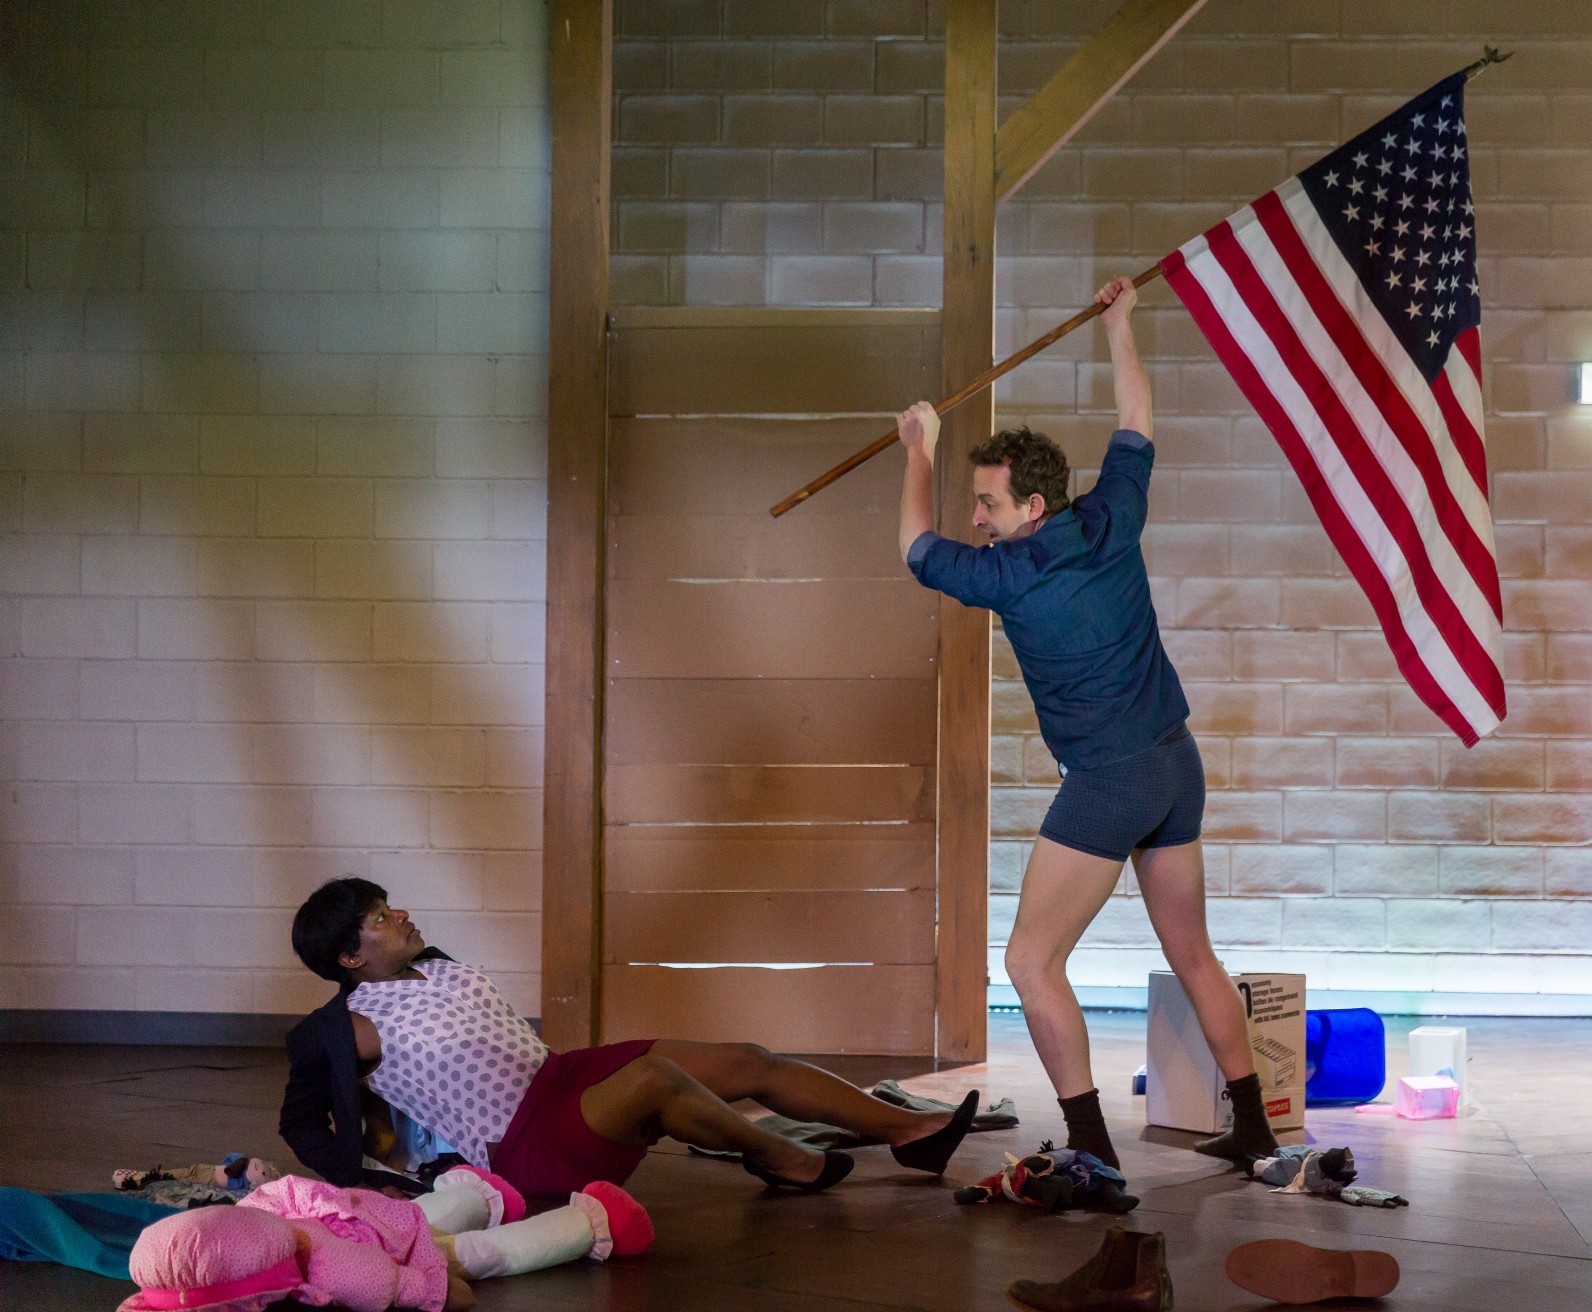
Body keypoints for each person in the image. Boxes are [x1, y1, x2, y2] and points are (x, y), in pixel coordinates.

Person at [895, 275, 1277, 1169]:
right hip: (1175, 765)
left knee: (1030, 961)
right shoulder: (1110, 516)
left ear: (1032, 507)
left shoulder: (1009, 573)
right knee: (1194, 955)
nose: (977, 521)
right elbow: (1137, 419)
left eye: (987, 504)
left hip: (1111, 781)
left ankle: (1092, 1152)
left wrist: (919, 447)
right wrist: (1122, 323)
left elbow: (914, 547)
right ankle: (1255, 1125)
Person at [280, 877, 978, 1199]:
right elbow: (299, 1118)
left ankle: (911, 1131)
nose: (399, 912)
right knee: (656, 1082)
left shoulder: (431, 964)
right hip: (526, 1143)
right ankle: (779, 1156)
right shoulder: (345, 1030)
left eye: (388, 902)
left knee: (745, 1060)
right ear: (348, 956)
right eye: (379, 914)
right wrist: (362, 1183)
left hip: (561, 1076)